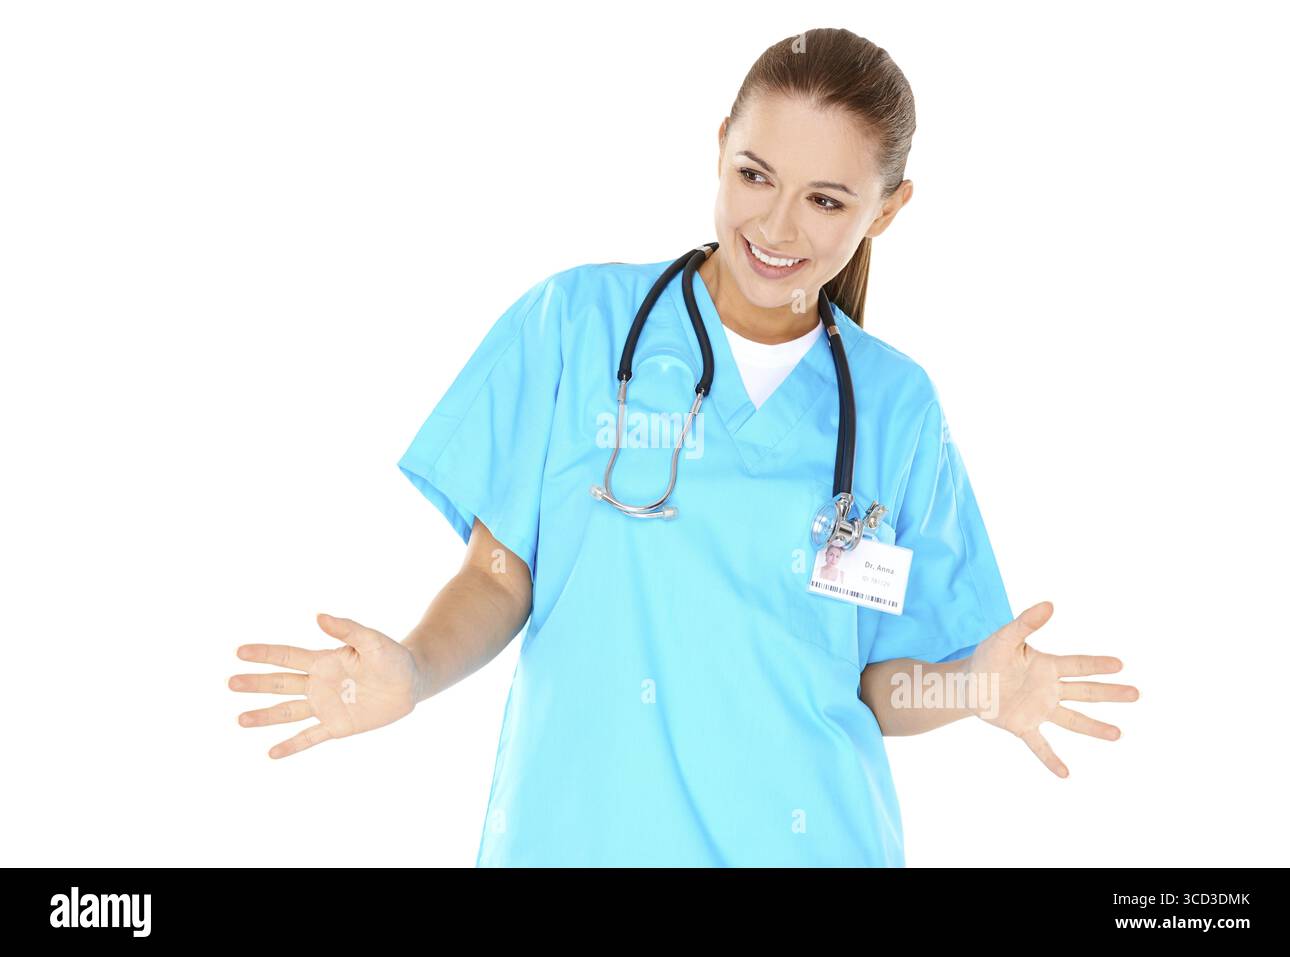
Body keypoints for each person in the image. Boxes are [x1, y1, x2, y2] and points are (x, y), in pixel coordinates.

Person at [230, 27, 1139, 866]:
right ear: (719, 148)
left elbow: (876, 683)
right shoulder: (576, 324)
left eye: (826, 199)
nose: (778, 228)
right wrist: (417, 670)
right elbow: (499, 575)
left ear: (888, 210)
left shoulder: (897, 406)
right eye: (755, 175)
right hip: (578, 834)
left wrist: (969, 691)